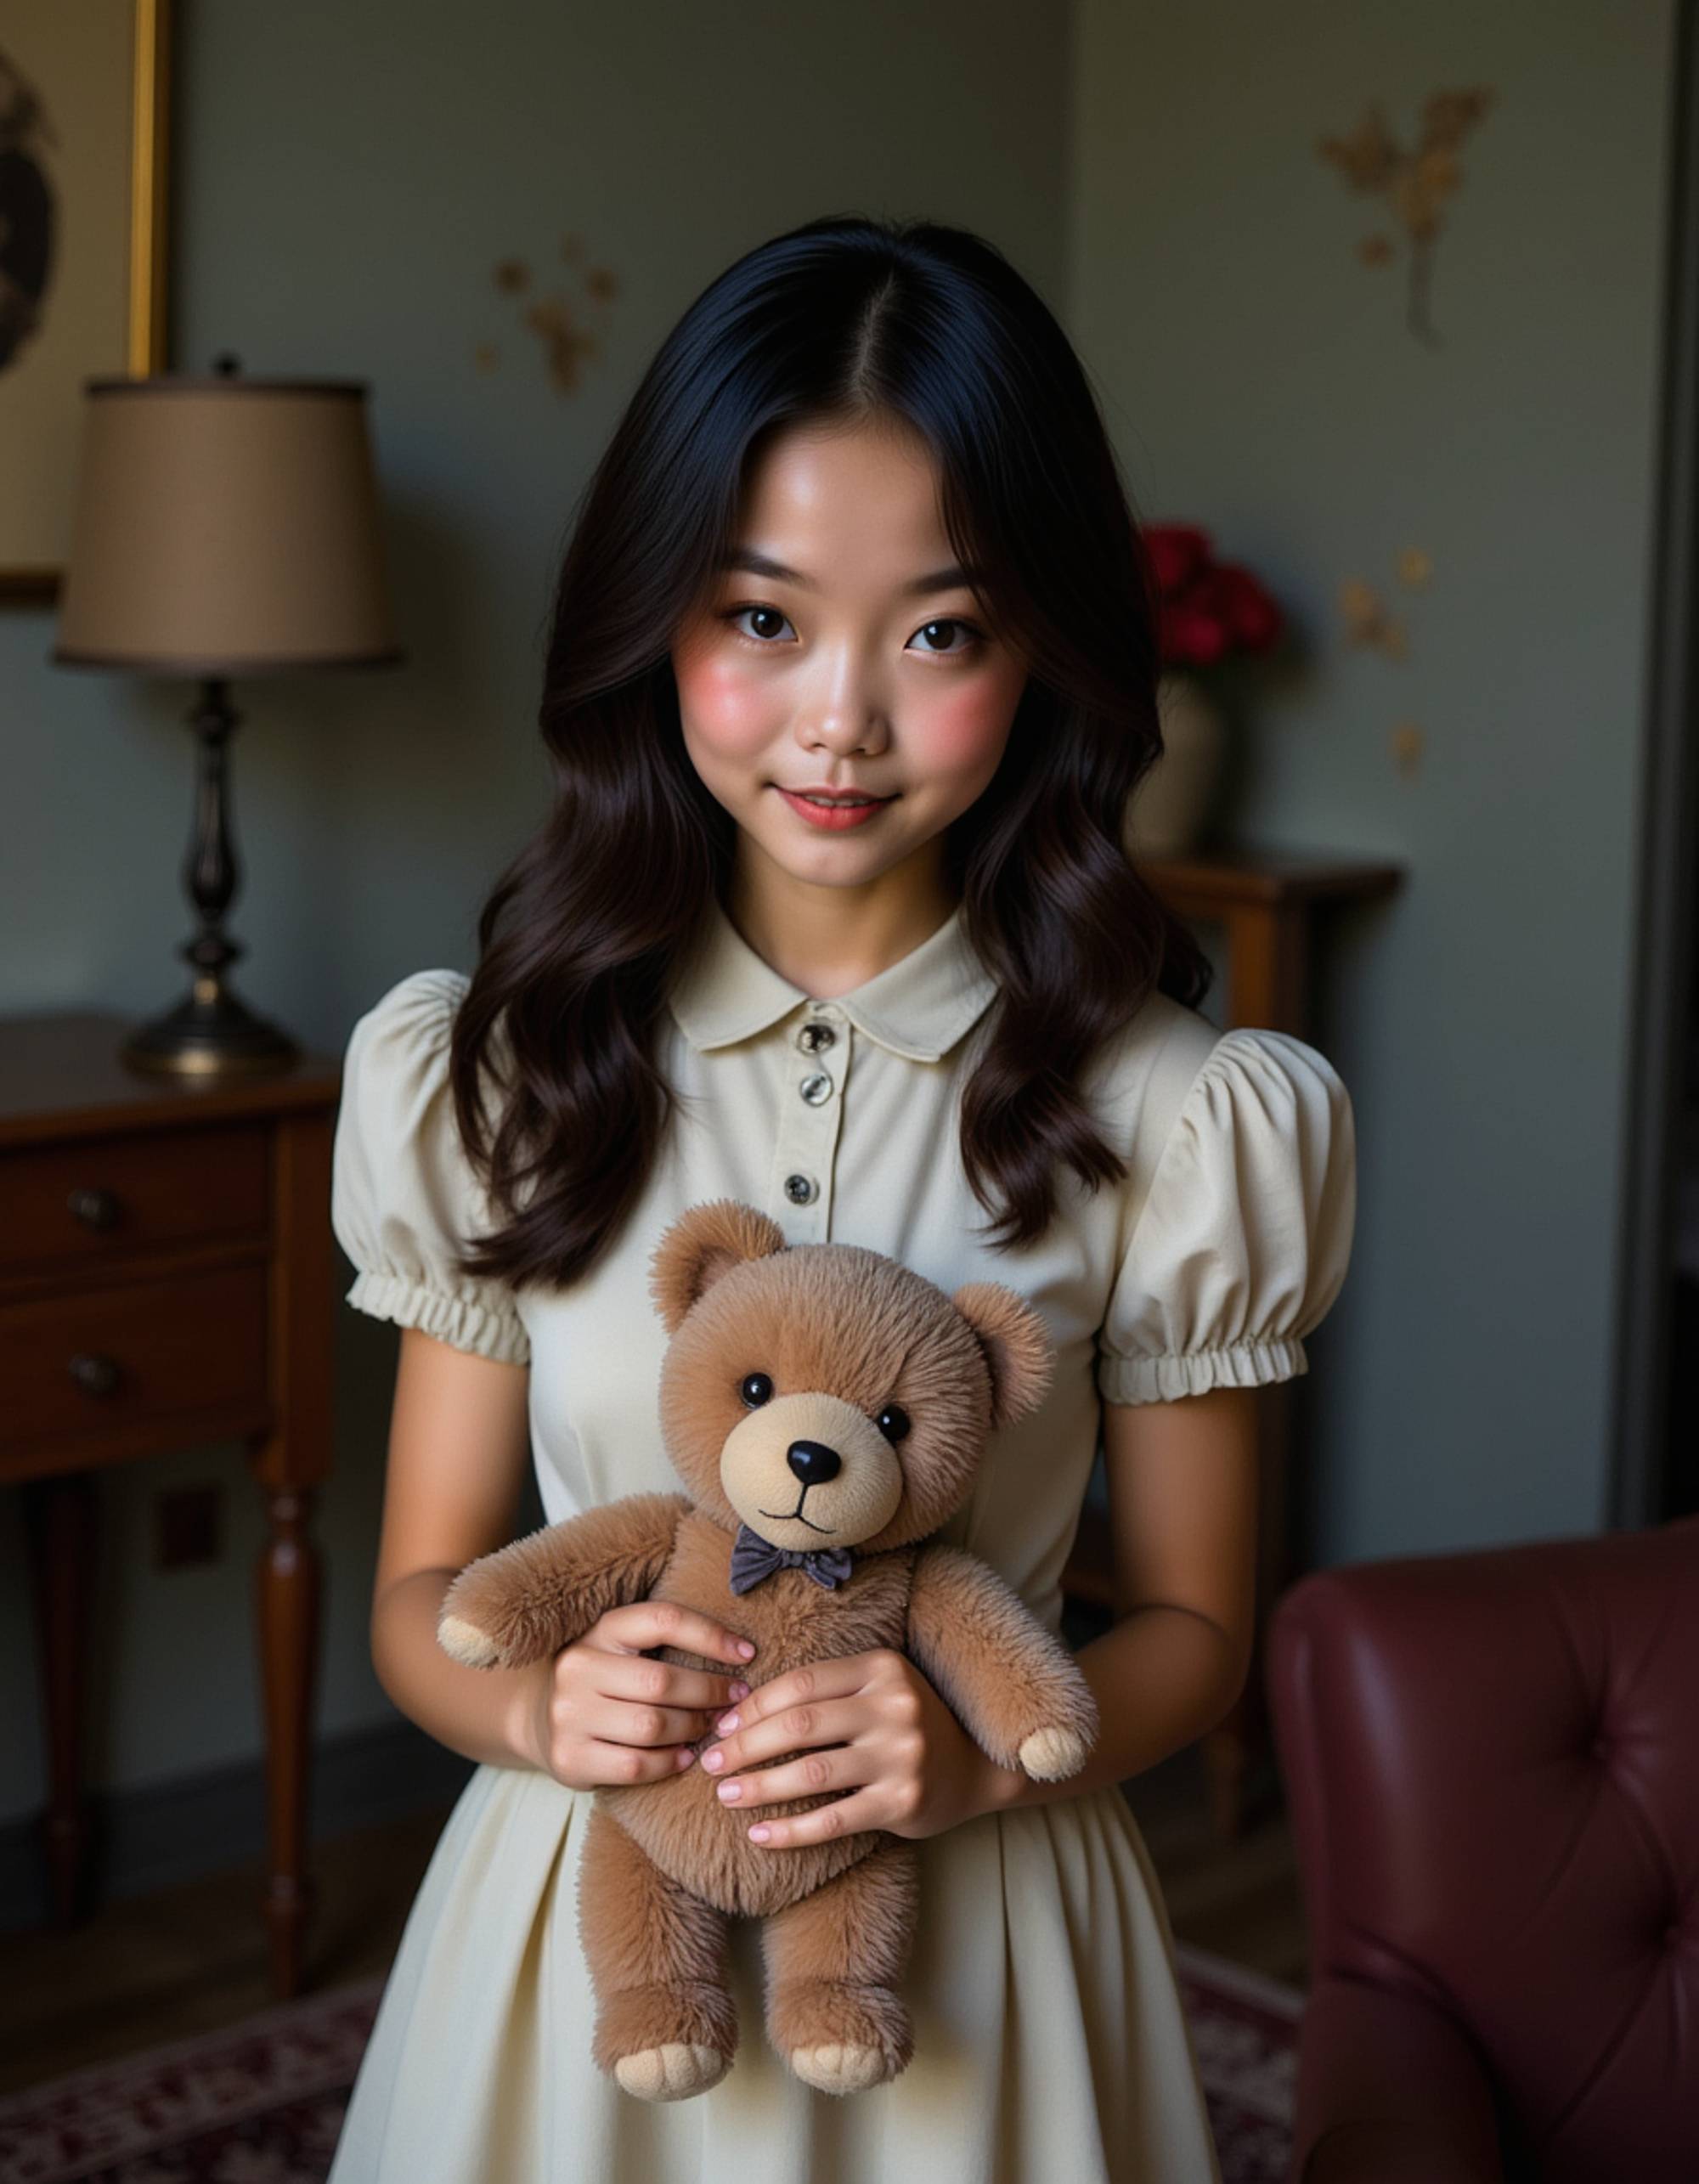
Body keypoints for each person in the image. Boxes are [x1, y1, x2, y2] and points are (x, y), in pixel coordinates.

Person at [325, 212, 1356, 2183]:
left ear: (1041, 641)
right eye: (763, 615)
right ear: (657, 619)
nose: (840, 717)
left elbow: (1199, 1628)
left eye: (940, 629)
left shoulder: (1176, 1106)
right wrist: (543, 1703)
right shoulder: (508, 1068)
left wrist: (962, 1754)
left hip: (984, 1956)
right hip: (582, 1954)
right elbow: (416, 1592)